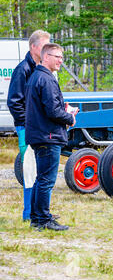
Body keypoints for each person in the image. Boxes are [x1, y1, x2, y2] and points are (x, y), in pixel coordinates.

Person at [25, 43, 75, 231]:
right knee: (46, 180)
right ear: (46, 57)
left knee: (41, 179)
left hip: (40, 134)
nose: (60, 60)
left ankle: (37, 218)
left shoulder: (36, 77)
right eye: (57, 56)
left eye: (62, 57)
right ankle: (44, 219)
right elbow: (52, 111)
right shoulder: (46, 79)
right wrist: (70, 117)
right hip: (48, 135)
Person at [7, 30, 50, 222]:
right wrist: (28, 123)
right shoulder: (23, 69)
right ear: (34, 47)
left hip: (41, 128)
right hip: (27, 128)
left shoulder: (42, 69)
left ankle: (39, 212)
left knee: (42, 170)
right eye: (44, 46)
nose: (47, 50)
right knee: (30, 170)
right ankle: (28, 215)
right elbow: (14, 101)